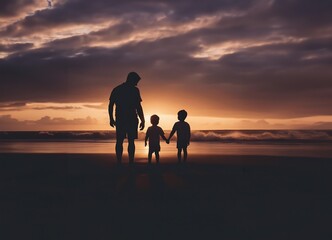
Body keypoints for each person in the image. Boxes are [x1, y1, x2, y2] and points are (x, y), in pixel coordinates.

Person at [108, 72, 145, 164]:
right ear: (131, 79)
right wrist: (111, 118)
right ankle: (129, 162)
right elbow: (138, 106)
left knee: (121, 141)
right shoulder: (134, 90)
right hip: (129, 117)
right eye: (136, 81)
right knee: (129, 141)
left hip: (122, 118)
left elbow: (111, 105)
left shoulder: (117, 89)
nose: (137, 83)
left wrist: (111, 118)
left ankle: (120, 161)